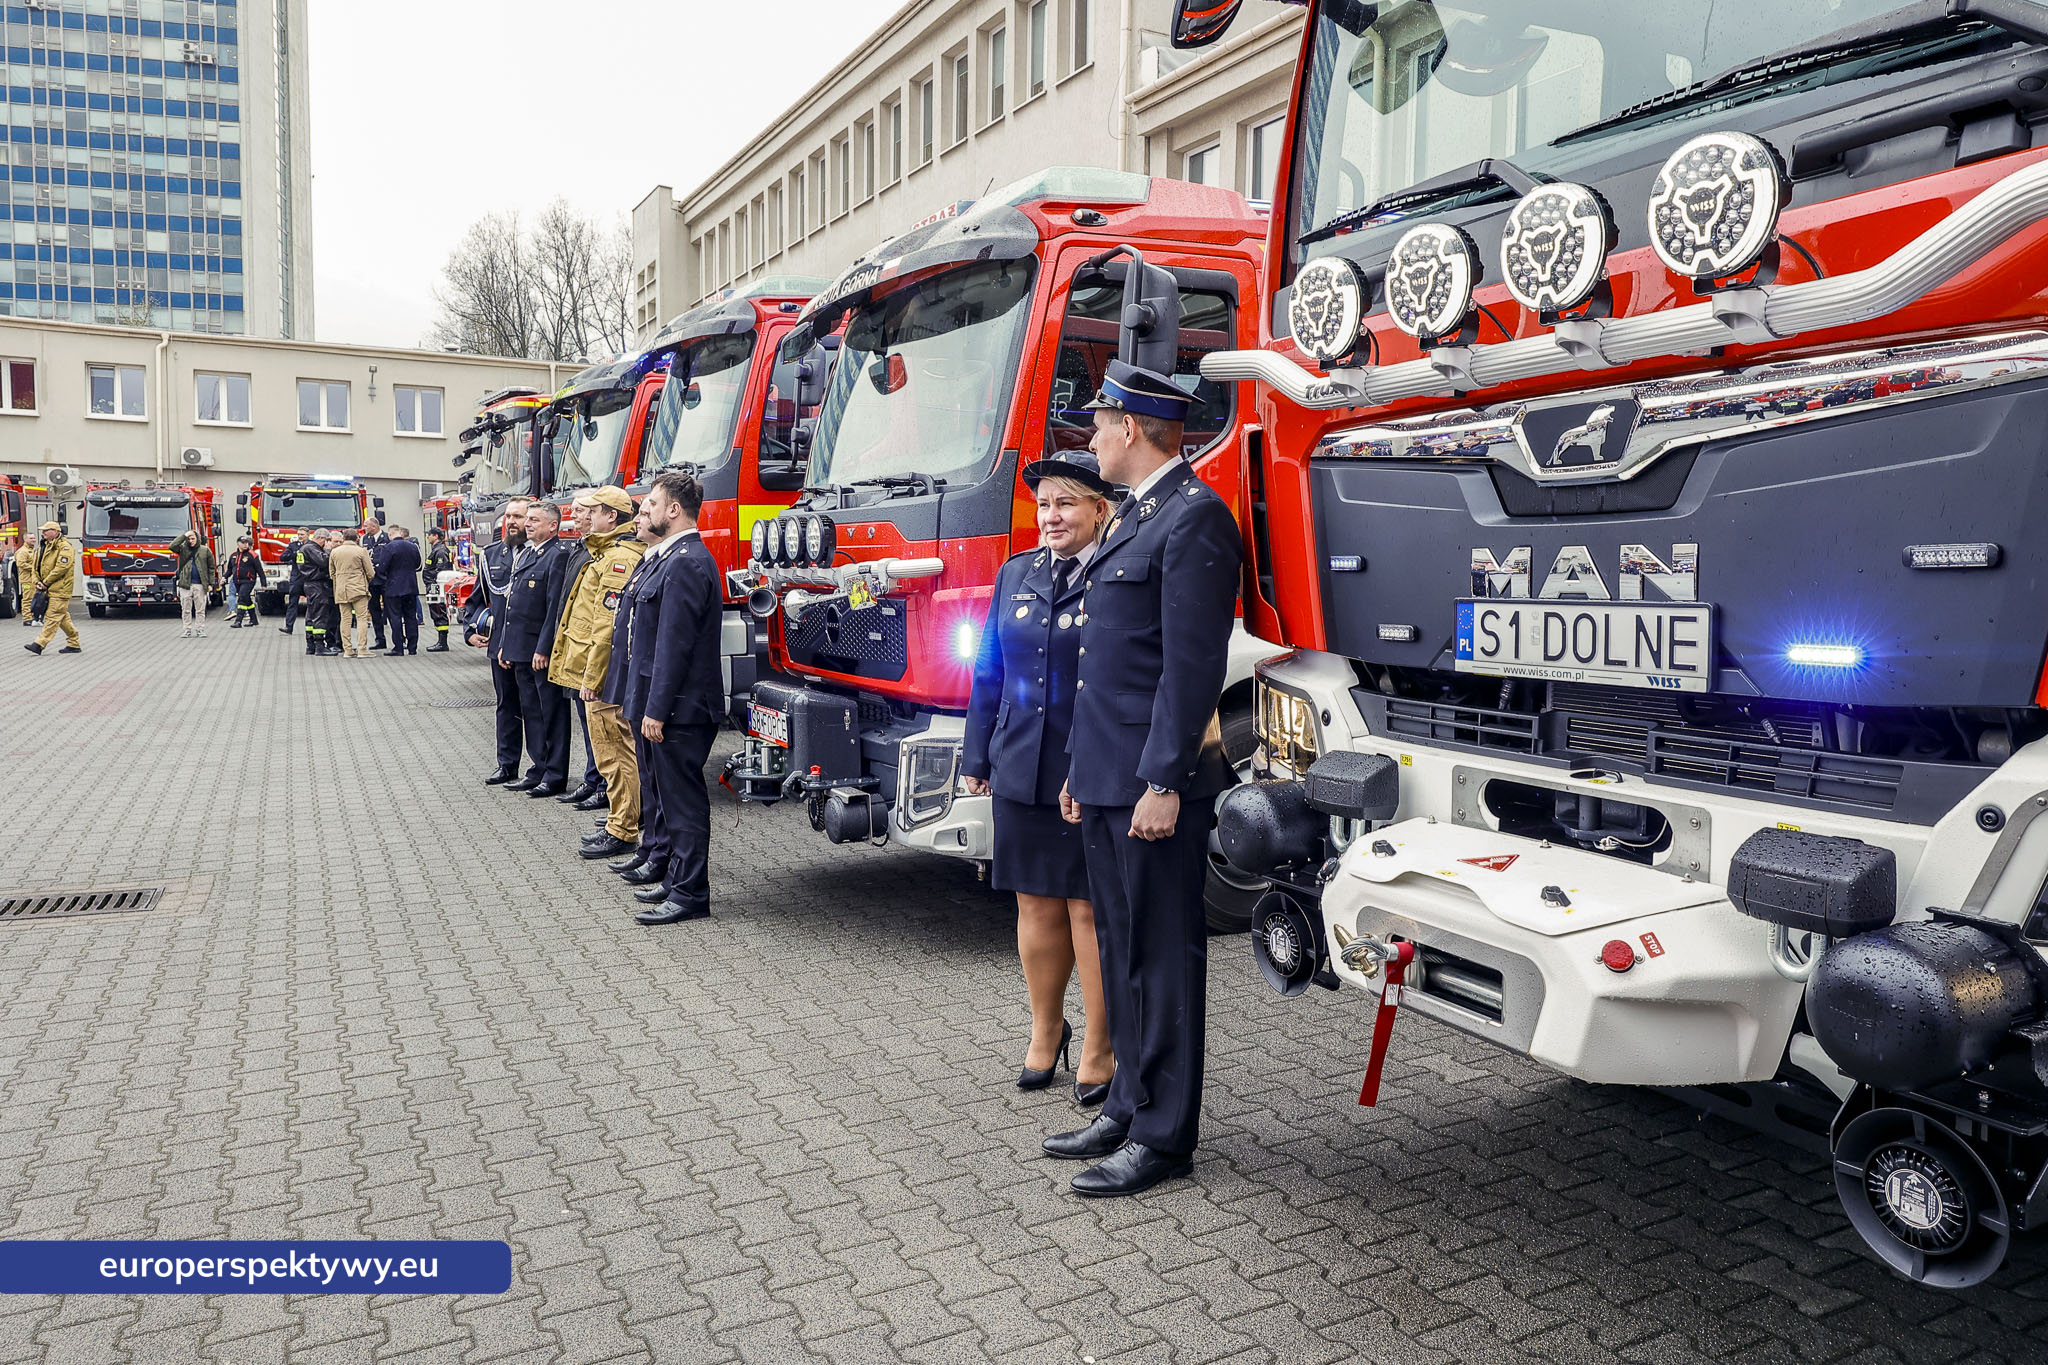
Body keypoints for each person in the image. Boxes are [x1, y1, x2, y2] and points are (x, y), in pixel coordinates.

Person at [1043, 359, 1241, 1198]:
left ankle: (1164, 1135)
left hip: (1154, 786)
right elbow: (1108, 667)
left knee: (1161, 957)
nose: (1091, 438)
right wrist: (1090, 772)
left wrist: (1164, 779)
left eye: (1099, 425)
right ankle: (1126, 1101)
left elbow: (1190, 669)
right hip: (1111, 776)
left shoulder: (1193, 519)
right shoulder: (1136, 517)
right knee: (1121, 948)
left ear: (1130, 430)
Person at [962, 451, 1119, 1106]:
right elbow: (989, 673)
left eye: (1067, 503)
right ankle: (1045, 1030)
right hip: (1022, 763)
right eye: (1045, 503)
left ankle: (1101, 1047)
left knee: (1088, 909)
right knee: (1032, 903)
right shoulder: (1015, 573)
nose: (1051, 515)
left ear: (1099, 509)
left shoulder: (1118, 575)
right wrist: (976, 755)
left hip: (1088, 768)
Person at [621, 470, 723, 926]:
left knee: (682, 803)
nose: (646, 510)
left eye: (652, 503)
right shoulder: (673, 558)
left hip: (682, 708)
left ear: (674, 510)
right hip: (669, 704)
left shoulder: (686, 561)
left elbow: (674, 644)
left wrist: (657, 709)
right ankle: (676, 879)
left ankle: (690, 893)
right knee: (667, 796)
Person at [550, 487, 649, 861]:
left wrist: (593, 680)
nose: (585, 516)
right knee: (611, 753)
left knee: (614, 754)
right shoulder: (604, 553)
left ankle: (623, 828)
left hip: (603, 679)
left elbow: (606, 629)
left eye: (593, 511)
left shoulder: (617, 559)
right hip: (597, 675)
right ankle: (621, 819)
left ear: (612, 516)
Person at [497, 501, 576, 797]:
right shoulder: (528, 553)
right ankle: (537, 768)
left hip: (540, 652)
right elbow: (512, 604)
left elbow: (553, 608)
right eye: (526, 519)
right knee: (531, 712)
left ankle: (554, 774)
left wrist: (544, 648)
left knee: (551, 713)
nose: (527, 524)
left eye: (534, 520)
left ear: (552, 526)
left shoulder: (556, 556)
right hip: (520, 648)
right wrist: (505, 644)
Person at [463, 498, 529, 784]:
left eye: (518, 516)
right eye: (509, 517)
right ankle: (507, 765)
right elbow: (476, 599)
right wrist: (470, 629)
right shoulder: (490, 555)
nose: (511, 522)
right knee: (506, 707)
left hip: (529, 647)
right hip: (498, 645)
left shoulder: (539, 553)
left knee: (534, 710)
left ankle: (541, 769)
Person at [22, 522, 80, 655]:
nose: (43, 533)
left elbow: (62, 567)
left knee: (52, 616)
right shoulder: (44, 546)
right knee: (62, 617)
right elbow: (34, 566)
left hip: (60, 589)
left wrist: (46, 582)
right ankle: (74, 643)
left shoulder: (65, 547)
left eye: (46, 530)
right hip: (47, 588)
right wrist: (37, 581)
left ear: (55, 531)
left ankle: (39, 644)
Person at [377, 526, 424, 656]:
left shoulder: (388, 547)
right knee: (411, 617)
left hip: (394, 587)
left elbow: (381, 568)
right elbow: (418, 564)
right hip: (411, 586)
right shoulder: (412, 546)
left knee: (395, 617)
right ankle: (412, 647)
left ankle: (398, 647)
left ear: (391, 534)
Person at [328, 530, 375, 659]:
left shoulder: (335, 552)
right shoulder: (361, 551)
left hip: (341, 589)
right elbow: (370, 572)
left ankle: (347, 650)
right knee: (361, 618)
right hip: (358, 588)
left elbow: (331, 572)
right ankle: (362, 649)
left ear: (343, 538)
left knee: (345, 619)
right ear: (357, 538)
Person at [299, 530, 339, 656]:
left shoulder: (305, 548)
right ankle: (320, 647)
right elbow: (324, 561)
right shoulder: (311, 548)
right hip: (317, 585)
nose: (326, 543)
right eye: (326, 540)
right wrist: (328, 550)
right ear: (321, 538)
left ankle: (311, 646)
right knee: (320, 615)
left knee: (311, 615)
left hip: (310, 585)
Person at [171, 529, 216, 638]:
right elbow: (172, 546)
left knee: (200, 609)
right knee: (186, 609)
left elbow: (211, 568)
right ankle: (187, 629)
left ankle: (200, 629)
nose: (191, 541)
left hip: (200, 584)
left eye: (193, 538)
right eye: (189, 539)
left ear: (198, 539)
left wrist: (211, 584)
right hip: (185, 584)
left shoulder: (205, 550)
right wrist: (184, 535)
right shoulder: (182, 549)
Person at [360, 519, 391, 652]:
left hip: (386, 580)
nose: (364, 528)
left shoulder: (387, 538)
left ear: (374, 526)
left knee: (391, 610)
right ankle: (380, 639)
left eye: (366, 526)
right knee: (374, 611)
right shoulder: (364, 539)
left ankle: (400, 639)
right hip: (372, 581)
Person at [424, 528, 455, 651]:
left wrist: (432, 582)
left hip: (436, 586)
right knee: (435, 611)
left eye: (429, 535)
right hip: (433, 585)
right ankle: (440, 641)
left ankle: (443, 643)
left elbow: (441, 570)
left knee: (439, 611)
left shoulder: (440, 551)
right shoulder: (436, 549)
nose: (428, 538)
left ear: (435, 536)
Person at [224, 537, 263, 628]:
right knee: (247, 599)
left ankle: (238, 621)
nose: (246, 545)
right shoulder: (233, 555)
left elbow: (260, 570)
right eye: (243, 543)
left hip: (248, 581)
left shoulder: (252, 555)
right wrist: (224, 577)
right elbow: (230, 569)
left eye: (247, 543)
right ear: (238, 543)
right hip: (237, 581)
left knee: (241, 598)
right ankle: (254, 620)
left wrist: (263, 583)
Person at [278, 528, 311, 635]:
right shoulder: (293, 546)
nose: (300, 536)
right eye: (298, 534)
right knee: (292, 602)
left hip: (309, 578)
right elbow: (283, 557)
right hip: (296, 578)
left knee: (311, 603)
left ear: (308, 535)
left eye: (302, 534)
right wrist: (295, 554)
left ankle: (311, 626)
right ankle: (288, 626)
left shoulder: (312, 546)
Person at [14, 533, 39, 629]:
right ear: (25, 539)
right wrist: (34, 568)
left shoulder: (32, 551)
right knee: (27, 598)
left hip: (32, 579)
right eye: (31, 538)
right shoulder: (23, 551)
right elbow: (21, 564)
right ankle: (27, 619)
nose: (33, 540)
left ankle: (33, 617)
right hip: (26, 581)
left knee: (34, 598)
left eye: (34, 538)